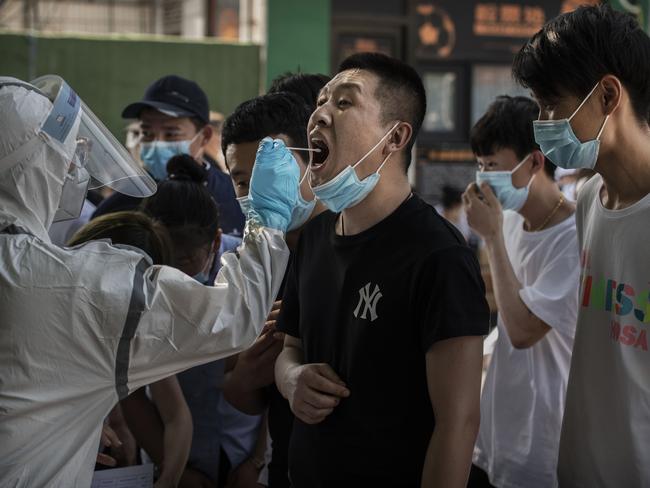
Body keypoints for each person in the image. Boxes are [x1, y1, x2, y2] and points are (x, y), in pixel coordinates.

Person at [0, 75, 299, 487]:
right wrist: (268, 218)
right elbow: (232, 314)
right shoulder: (71, 285)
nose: (73, 172)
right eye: (65, 160)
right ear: (38, 168)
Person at [273, 53, 490, 487]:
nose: (320, 114)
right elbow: (289, 348)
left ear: (394, 137)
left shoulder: (439, 257)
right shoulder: (313, 238)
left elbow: (458, 424)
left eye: (345, 102)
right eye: (321, 100)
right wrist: (291, 379)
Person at [512, 5, 650, 486]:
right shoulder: (590, 198)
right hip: (579, 467)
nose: (544, 122)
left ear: (608, 94)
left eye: (552, 103)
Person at [462, 95, 579, 488]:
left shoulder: (574, 235)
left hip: (543, 438)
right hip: (496, 430)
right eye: (479, 165)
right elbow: (503, 308)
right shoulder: (510, 220)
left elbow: (524, 330)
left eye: (493, 166)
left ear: (534, 161)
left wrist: (492, 237)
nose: (483, 178)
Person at [221, 90, 325, 488]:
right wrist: (248, 374)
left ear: (313, 159)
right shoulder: (255, 266)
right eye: (243, 180)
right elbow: (239, 393)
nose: (255, 194)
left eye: (270, 176)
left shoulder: (352, 249)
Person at [140, 154, 258, 487]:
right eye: (164, 262)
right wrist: (172, 472)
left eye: (187, 260)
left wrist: (258, 462)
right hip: (170, 449)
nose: (175, 275)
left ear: (216, 243)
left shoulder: (249, 276)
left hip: (241, 452)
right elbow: (148, 398)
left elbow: (272, 379)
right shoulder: (136, 287)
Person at [68, 211, 192, 488]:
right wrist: (71, 422)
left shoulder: (133, 326)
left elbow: (177, 415)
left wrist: (170, 477)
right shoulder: (46, 310)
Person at [93, 74, 245, 236]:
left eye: (171, 134)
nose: (157, 143)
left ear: (204, 136)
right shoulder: (121, 205)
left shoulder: (234, 197)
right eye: (147, 133)